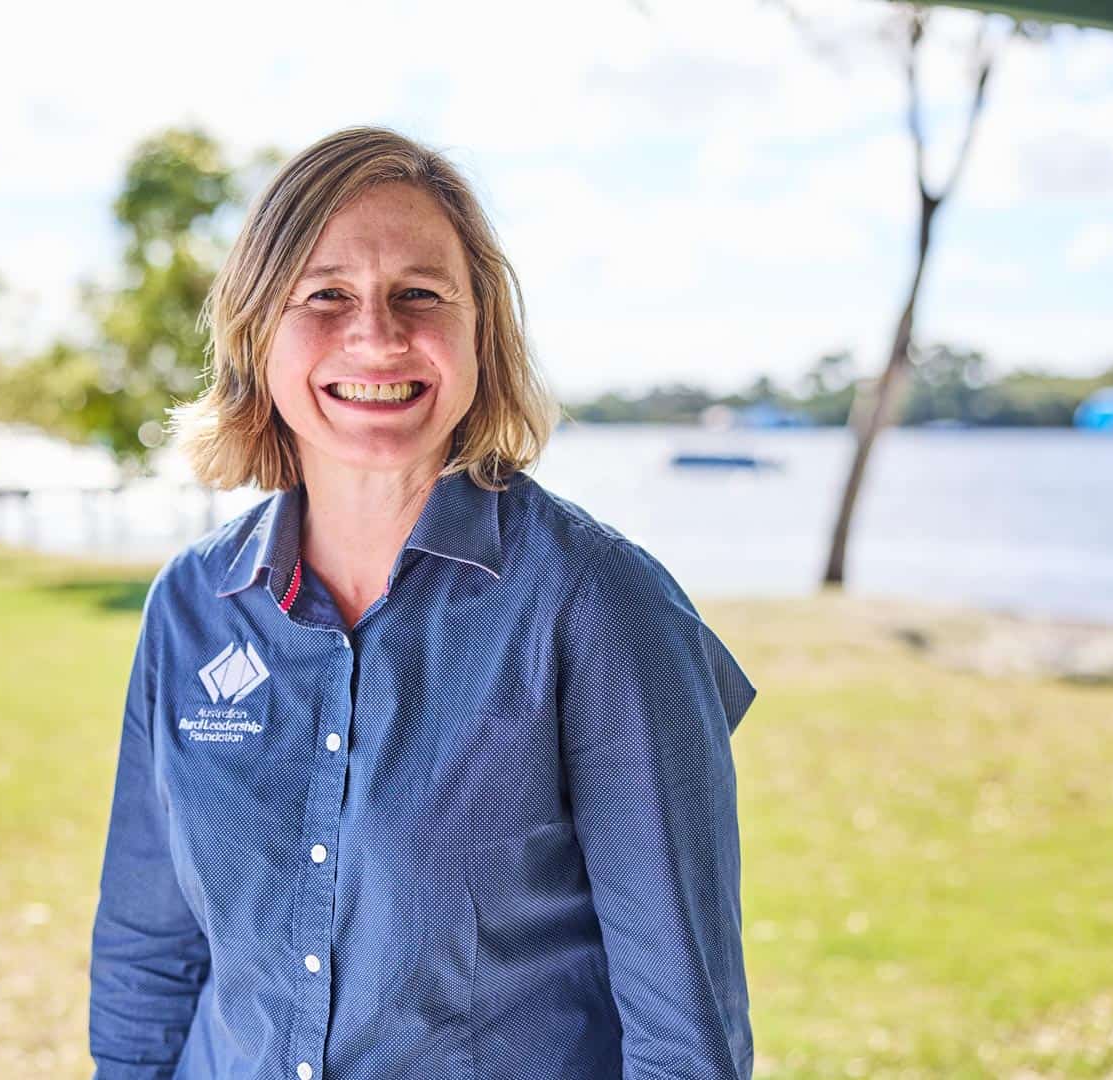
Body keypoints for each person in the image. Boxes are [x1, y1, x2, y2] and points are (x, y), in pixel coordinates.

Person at [87, 125, 758, 1080]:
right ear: (255, 330)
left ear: (480, 328)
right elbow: (149, 949)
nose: (375, 336)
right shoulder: (193, 607)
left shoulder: (602, 606)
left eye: (419, 295)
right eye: (324, 295)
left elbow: (685, 1036)